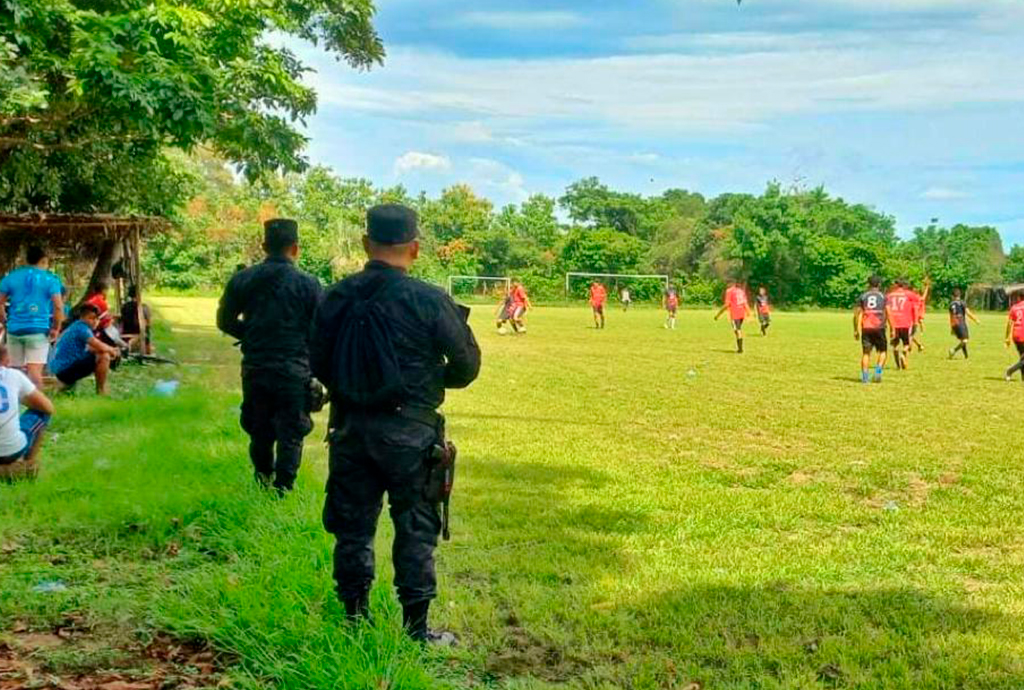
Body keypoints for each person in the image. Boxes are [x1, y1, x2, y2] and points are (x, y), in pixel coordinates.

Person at [311, 204, 481, 645]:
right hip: (413, 434)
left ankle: (354, 618)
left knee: (352, 528)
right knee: (416, 528)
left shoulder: (334, 297)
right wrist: (424, 380)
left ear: (367, 244)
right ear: (416, 249)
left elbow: (318, 362)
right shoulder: (429, 300)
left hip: (350, 430)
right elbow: (466, 366)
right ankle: (416, 630)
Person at [217, 218, 323, 495]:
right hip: (294, 367)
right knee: (292, 431)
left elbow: (224, 320)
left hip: (256, 365)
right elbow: (321, 329)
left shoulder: (243, 279)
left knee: (260, 429)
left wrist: (250, 335)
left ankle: (263, 478)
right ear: (296, 248)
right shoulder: (309, 284)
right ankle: (284, 489)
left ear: (264, 246)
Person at [0, 246, 64, 387]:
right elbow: (58, 306)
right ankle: (38, 407)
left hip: (14, 330)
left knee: (14, 372)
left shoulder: (11, 277)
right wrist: (56, 328)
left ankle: (14, 405)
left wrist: (5, 321)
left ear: (26, 260)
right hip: (38, 330)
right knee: (34, 372)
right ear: (43, 261)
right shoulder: (50, 279)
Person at [0, 343, 55, 482]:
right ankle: (27, 464)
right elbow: (48, 407)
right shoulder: (13, 375)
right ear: (5, 361)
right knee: (43, 413)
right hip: (10, 451)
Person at [48, 304, 119, 395]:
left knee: (100, 352)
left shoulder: (76, 326)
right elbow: (98, 345)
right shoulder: (82, 328)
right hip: (64, 370)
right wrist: (112, 350)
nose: (95, 321)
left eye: (97, 319)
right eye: (91, 318)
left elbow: (91, 348)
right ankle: (101, 391)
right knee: (103, 355)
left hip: (61, 369)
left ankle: (67, 388)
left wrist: (109, 349)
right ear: (82, 317)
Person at [854, 275, 891, 383]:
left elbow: (857, 314)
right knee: (883, 351)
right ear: (879, 284)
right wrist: (892, 328)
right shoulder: (883, 296)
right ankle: (878, 372)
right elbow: (888, 312)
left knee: (866, 353)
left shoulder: (863, 296)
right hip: (879, 327)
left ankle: (865, 377)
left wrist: (856, 329)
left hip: (866, 327)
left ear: (868, 284)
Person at [886, 279, 915, 370]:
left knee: (894, 345)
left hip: (894, 323)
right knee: (906, 344)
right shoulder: (909, 294)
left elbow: (886, 309)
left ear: (896, 285)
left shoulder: (889, 295)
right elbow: (918, 302)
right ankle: (903, 353)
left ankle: (898, 366)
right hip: (905, 322)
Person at [714, 281, 750, 353]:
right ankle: (740, 348)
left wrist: (718, 314)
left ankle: (740, 349)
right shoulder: (740, 291)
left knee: (737, 330)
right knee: (738, 330)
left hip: (735, 314)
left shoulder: (729, 291)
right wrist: (748, 313)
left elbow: (727, 304)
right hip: (741, 314)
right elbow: (745, 303)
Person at [120, 285, 153, 354]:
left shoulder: (124, 306)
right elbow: (148, 323)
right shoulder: (142, 307)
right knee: (147, 330)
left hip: (125, 331)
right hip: (137, 333)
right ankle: (148, 351)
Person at [947, 288, 979, 360]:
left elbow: (951, 317)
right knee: (965, 340)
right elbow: (968, 313)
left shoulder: (951, 304)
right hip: (961, 322)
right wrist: (975, 319)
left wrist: (952, 327)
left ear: (952, 296)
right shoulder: (962, 303)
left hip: (955, 323)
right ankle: (953, 350)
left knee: (962, 340)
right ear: (959, 295)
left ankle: (966, 356)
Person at [1004, 290, 1024, 382]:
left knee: (1022, 357)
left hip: (1016, 335)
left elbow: (1009, 323)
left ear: (1019, 297)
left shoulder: (1014, 307)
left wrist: (1007, 337)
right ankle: (1010, 370)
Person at [909, 279, 931, 353]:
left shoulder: (918, 299)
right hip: (911, 318)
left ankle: (912, 347)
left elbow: (924, 295)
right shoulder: (914, 299)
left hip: (913, 318)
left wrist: (927, 287)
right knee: (910, 335)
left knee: (910, 335)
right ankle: (918, 346)